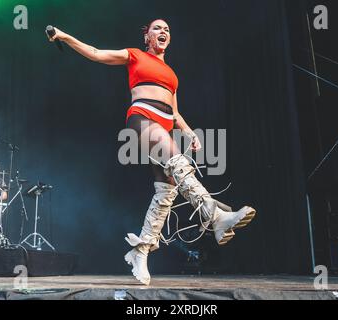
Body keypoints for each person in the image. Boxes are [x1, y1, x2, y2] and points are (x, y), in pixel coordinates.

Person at [47, 19, 256, 285]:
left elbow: (175, 112)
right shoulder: (134, 55)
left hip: (165, 125)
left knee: (166, 192)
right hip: (142, 118)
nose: (163, 32)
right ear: (147, 36)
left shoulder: (171, 74)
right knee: (177, 164)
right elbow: (97, 54)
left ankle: (141, 251)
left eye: (167, 29)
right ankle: (215, 216)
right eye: (157, 28)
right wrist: (64, 36)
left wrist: (190, 133)